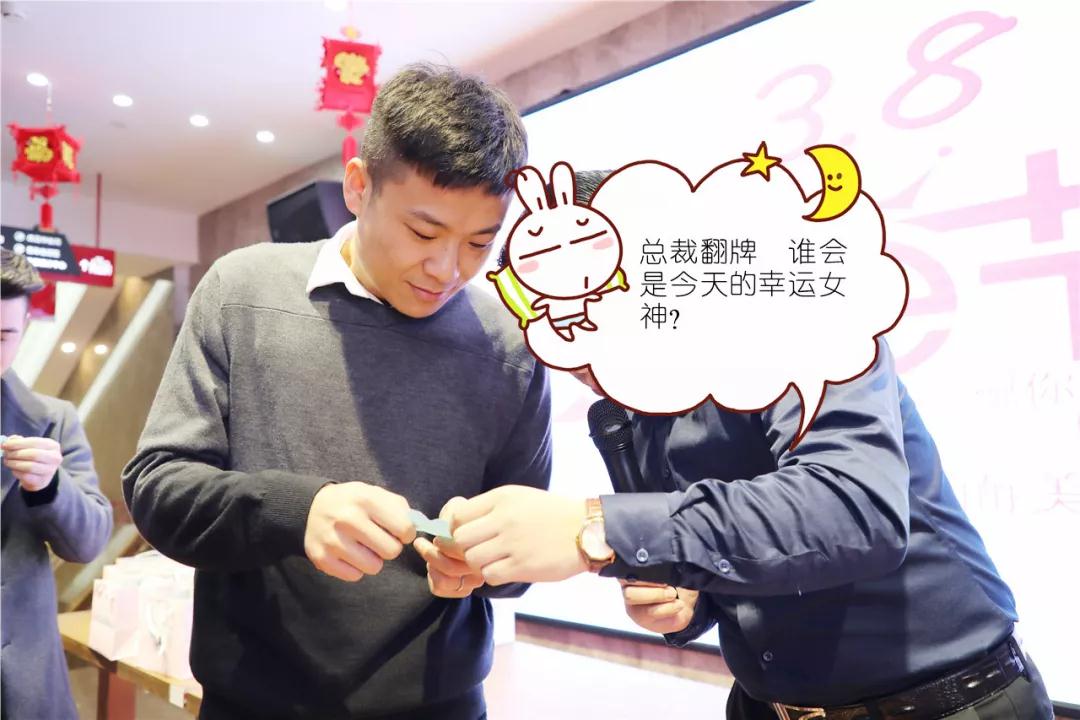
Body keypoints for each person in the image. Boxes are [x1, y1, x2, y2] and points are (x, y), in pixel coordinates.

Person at [448, 172, 1055, 719]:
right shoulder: (627, 409)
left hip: (948, 702)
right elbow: (716, 553)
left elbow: (854, 509)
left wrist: (597, 526)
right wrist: (685, 603)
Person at [121, 63, 551, 720]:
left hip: (438, 705)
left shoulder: (511, 347)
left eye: (479, 243)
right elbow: (157, 488)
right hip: (252, 703)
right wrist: (298, 512)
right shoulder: (242, 292)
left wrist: (487, 560)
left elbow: (522, 555)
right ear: (358, 186)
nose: (447, 269)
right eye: (424, 233)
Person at [1, 248, 114, 720]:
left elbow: (88, 542)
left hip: (22, 681)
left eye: (3, 335)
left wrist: (49, 486)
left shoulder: (52, 421)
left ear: (24, 330)